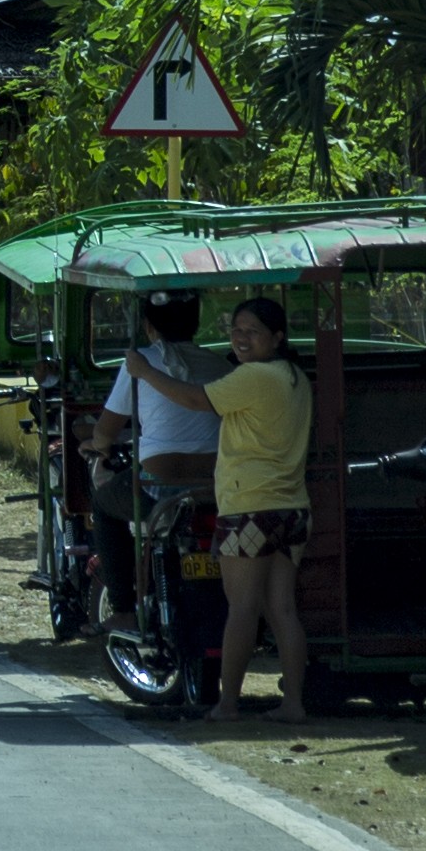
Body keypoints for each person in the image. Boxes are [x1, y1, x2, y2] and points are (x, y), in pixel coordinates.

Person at [131, 294, 317, 720]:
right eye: (236, 329)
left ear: (277, 337)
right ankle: (293, 704)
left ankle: (228, 704)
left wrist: (146, 371)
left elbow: (196, 399)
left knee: (243, 608)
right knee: (282, 608)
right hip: (292, 508)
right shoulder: (293, 377)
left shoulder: (253, 377)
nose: (241, 338)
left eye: (252, 331)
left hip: (249, 506)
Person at [83, 289, 217, 654]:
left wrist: (97, 443)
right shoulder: (221, 363)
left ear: (147, 325)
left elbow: (106, 431)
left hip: (158, 488)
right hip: (213, 488)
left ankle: (124, 609)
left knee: (104, 505)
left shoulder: (140, 363)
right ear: (196, 322)